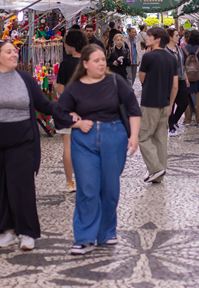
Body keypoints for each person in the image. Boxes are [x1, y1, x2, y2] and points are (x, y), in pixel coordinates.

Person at [0, 41, 61, 250]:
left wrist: (69, 108)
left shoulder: (25, 79)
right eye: (9, 52)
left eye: (15, 51)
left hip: (22, 141)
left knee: (21, 186)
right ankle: (7, 231)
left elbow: (44, 105)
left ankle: (27, 233)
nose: (15, 54)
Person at [55, 45, 142, 255]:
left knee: (110, 188)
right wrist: (76, 124)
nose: (102, 63)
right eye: (96, 60)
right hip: (84, 140)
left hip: (114, 136)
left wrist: (134, 136)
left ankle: (106, 231)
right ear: (85, 64)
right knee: (87, 188)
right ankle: (84, 237)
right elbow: (59, 112)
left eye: (103, 59)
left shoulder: (115, 81)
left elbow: (133, 108)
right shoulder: (75, 88)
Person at [138, 27, 178, 183]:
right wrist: (171, 104)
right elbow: (175, 85)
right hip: (165, 103)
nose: (146, 38)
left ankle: (155, 168)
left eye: (149, 36)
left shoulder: (148, 58)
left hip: (150, 102)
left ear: (157, 39)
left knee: (143, 137)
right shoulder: (172, 58)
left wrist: (146, 57)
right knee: (160, 138)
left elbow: (142, 79)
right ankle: (159, 174)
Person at [55, 29, 89, 194]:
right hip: (88, 110)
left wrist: (55, 85)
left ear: (71, 45)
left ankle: (70, 183)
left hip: (69, 111)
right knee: (86, 147)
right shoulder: (88, 62)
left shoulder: (66, 64)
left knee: (68, 147)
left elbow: (61, 89)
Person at [165, 28, 191, 135]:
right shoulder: (165, 50)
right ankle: (171, 127)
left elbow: (182, 65)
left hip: (180, 79)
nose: (178, 37)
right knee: (171, 103)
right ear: (170, 37)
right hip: (169, 80)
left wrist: (186, 78)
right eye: (176, 35)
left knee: (184, 102)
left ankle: (174, 121)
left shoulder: (179, 49)